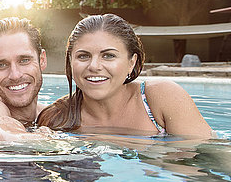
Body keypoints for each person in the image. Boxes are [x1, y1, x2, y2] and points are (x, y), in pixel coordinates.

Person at [37, 13, 214, 138]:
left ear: (132, 62)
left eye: (109, 55)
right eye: (83, 56)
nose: (94, 66)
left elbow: (209, 160)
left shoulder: (161, 98)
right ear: (70, 61)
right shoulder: (57, 119)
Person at [0, 17, 52, 143]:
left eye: (24, 60)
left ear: (42, 60)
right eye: (2, 65)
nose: (15, 75)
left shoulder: (50, 114)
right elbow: (7, 136)